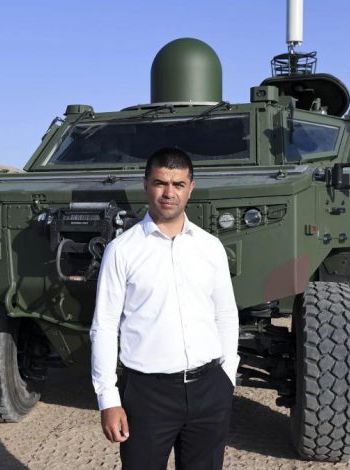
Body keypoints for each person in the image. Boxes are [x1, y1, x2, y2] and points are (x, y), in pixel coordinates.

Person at [90, 147, 239, 469]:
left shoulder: (210, 247)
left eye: (178, 184)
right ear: (146, 185)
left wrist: (227, 376)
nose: (169, 193)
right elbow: (104, 326)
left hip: (209, 388)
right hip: (148, 394)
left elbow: (226, 313)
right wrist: (108, 399)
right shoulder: (122, 250)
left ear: (190, 188)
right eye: (160, 183)